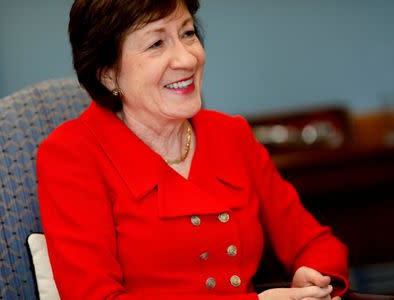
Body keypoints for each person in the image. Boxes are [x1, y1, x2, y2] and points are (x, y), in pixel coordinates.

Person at [37, 0, 349, 299]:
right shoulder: (71, 155)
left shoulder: (231, 134)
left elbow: (316, 242)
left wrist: (314, 276)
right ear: (107, 73)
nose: (188, 58)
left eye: (187, 33)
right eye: (156, 44)